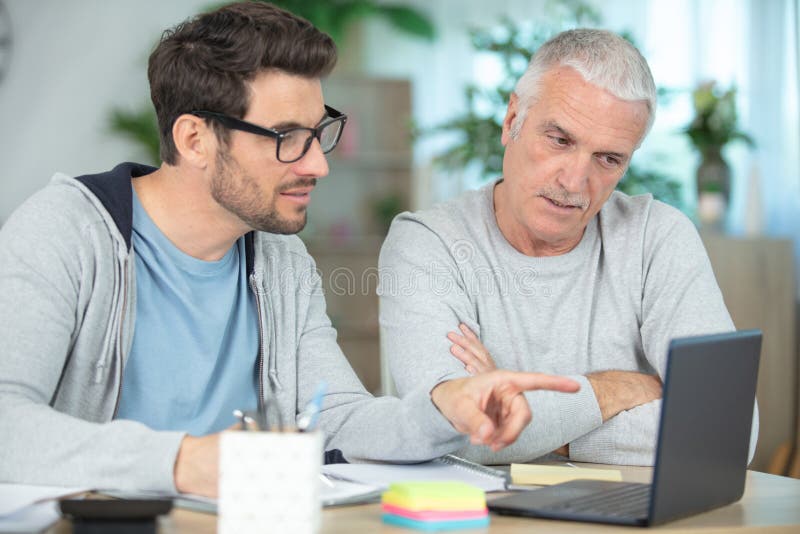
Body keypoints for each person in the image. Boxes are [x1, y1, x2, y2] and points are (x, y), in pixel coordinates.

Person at [0, 2, 581, 498]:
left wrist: (446, 409)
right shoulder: (65, 232)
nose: (318, 163)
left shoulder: (279, 259)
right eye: (286, 139)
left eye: (318, 131)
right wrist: (183, 462)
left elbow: (337, 419)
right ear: (194, 138)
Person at [379, 28, 758, 466]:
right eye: (560, 140)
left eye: (608, 158)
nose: (574, 182)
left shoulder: (658, 238)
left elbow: (728, 433)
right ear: (511, 121)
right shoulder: (428, 244)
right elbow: (454, 431)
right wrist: (613, 389)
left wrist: (535, 425)